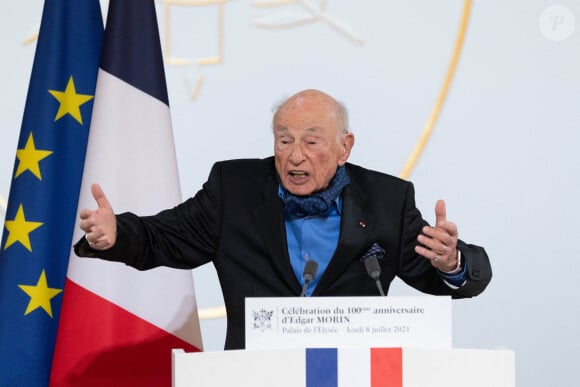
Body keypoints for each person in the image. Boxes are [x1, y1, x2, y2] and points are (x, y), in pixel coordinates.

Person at [76, 89, 492, 350]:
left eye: (311, 142)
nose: (295, 156)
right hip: (255, 376)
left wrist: (451, 263)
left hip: (352, 375)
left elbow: (445, 275)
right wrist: (116, 234)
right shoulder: (234, 189)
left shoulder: (387, 199)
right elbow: (164, 237)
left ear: (344, 147)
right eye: (284, 140)